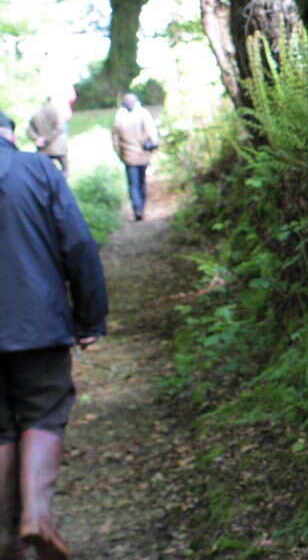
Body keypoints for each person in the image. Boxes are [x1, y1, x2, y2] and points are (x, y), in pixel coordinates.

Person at [0, 109, 108, 560]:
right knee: (43, 414)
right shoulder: (38, 170)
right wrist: (90, 318)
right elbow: (78, 244)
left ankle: (6, 539)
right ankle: (37, 516)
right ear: (7, 134)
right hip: (38, 326)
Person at [110, 93, 159, 222]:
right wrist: (151, 151)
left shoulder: (119, 118)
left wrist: (120, 155)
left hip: (128, 156)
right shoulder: (143, 114)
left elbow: (115, 140)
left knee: (133, 184)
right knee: (142, 182)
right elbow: (152, 135)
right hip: (143, 155)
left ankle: (137, 210)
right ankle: (142, 207)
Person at [24, 90, 74, 177]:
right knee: (65, 172)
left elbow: (29, 130)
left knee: (42, 174)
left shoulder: (37, 112)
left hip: (42, 150)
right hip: (58, 149)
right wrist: (46, 139)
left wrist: (37, 139)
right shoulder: (56, 111)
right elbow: (59, 128)